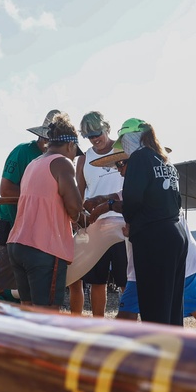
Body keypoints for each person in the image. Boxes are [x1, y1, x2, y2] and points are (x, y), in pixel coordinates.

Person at [90, 154, 196, 331]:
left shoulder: (144, 188)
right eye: (116, 166)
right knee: (193, 306)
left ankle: (116, 349)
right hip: (175, 255)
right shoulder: (152, 184)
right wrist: (98, 201)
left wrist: (107, 206)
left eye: (121, 164)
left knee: (193, 306)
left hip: (162, 259)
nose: (119, 170)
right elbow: (116, 197)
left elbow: (125, 205)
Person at [114, 118, 187, 325]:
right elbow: (177, 200)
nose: (124, 146)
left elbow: (132, 198)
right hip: (175, 232)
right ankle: (174, 351)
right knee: (172, 305)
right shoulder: (165, 161)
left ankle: (158, 352)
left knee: (154, 305)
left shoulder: (139, 157)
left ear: (132, 137)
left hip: (154, 236)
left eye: (124, 140)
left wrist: (130, 223)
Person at [7, 114, 85, 307]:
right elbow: (74, 208)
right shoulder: (62, 163)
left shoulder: (34, 163)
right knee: (47, 313)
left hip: (17, 243)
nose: (74, 159)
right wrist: (84, 219)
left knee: (27, 309)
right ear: (70, 146)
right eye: (75, 153)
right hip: (43, 247)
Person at [0, 111, 54, 300]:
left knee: (32, 287)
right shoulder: (22, 151)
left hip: (40, 231)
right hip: (13, 227)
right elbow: (6, 189)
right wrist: (39, 199)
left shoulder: (57, 158)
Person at [73, 111, 127, 317]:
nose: (95, 139)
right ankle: (98, 325)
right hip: (96, 225)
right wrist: (79, 220)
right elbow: (79, 195)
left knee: (126, 280)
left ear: (107, 128)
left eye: (97, 133)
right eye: (89, 136)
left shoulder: (123, 150)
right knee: (97, 281)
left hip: (123, 224)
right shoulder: (83, 159)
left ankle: (129, 325)